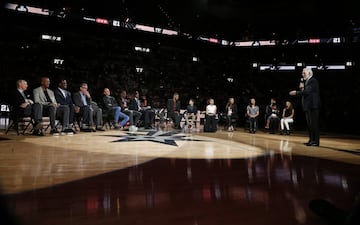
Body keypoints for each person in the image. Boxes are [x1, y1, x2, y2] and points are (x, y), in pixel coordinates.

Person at [290, 67, 321, 146]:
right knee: (309, 124)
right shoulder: (307, 81)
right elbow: (306, 92)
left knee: (314, 124)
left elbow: (307, 92)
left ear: (309, 73)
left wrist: (296, 92)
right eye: (302, 73)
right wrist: (302, 88)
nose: (302, 74)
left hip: (313, 106)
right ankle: (311, 140)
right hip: (308, 106)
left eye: (304, 73)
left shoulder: (313, 80)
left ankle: (316, 142)